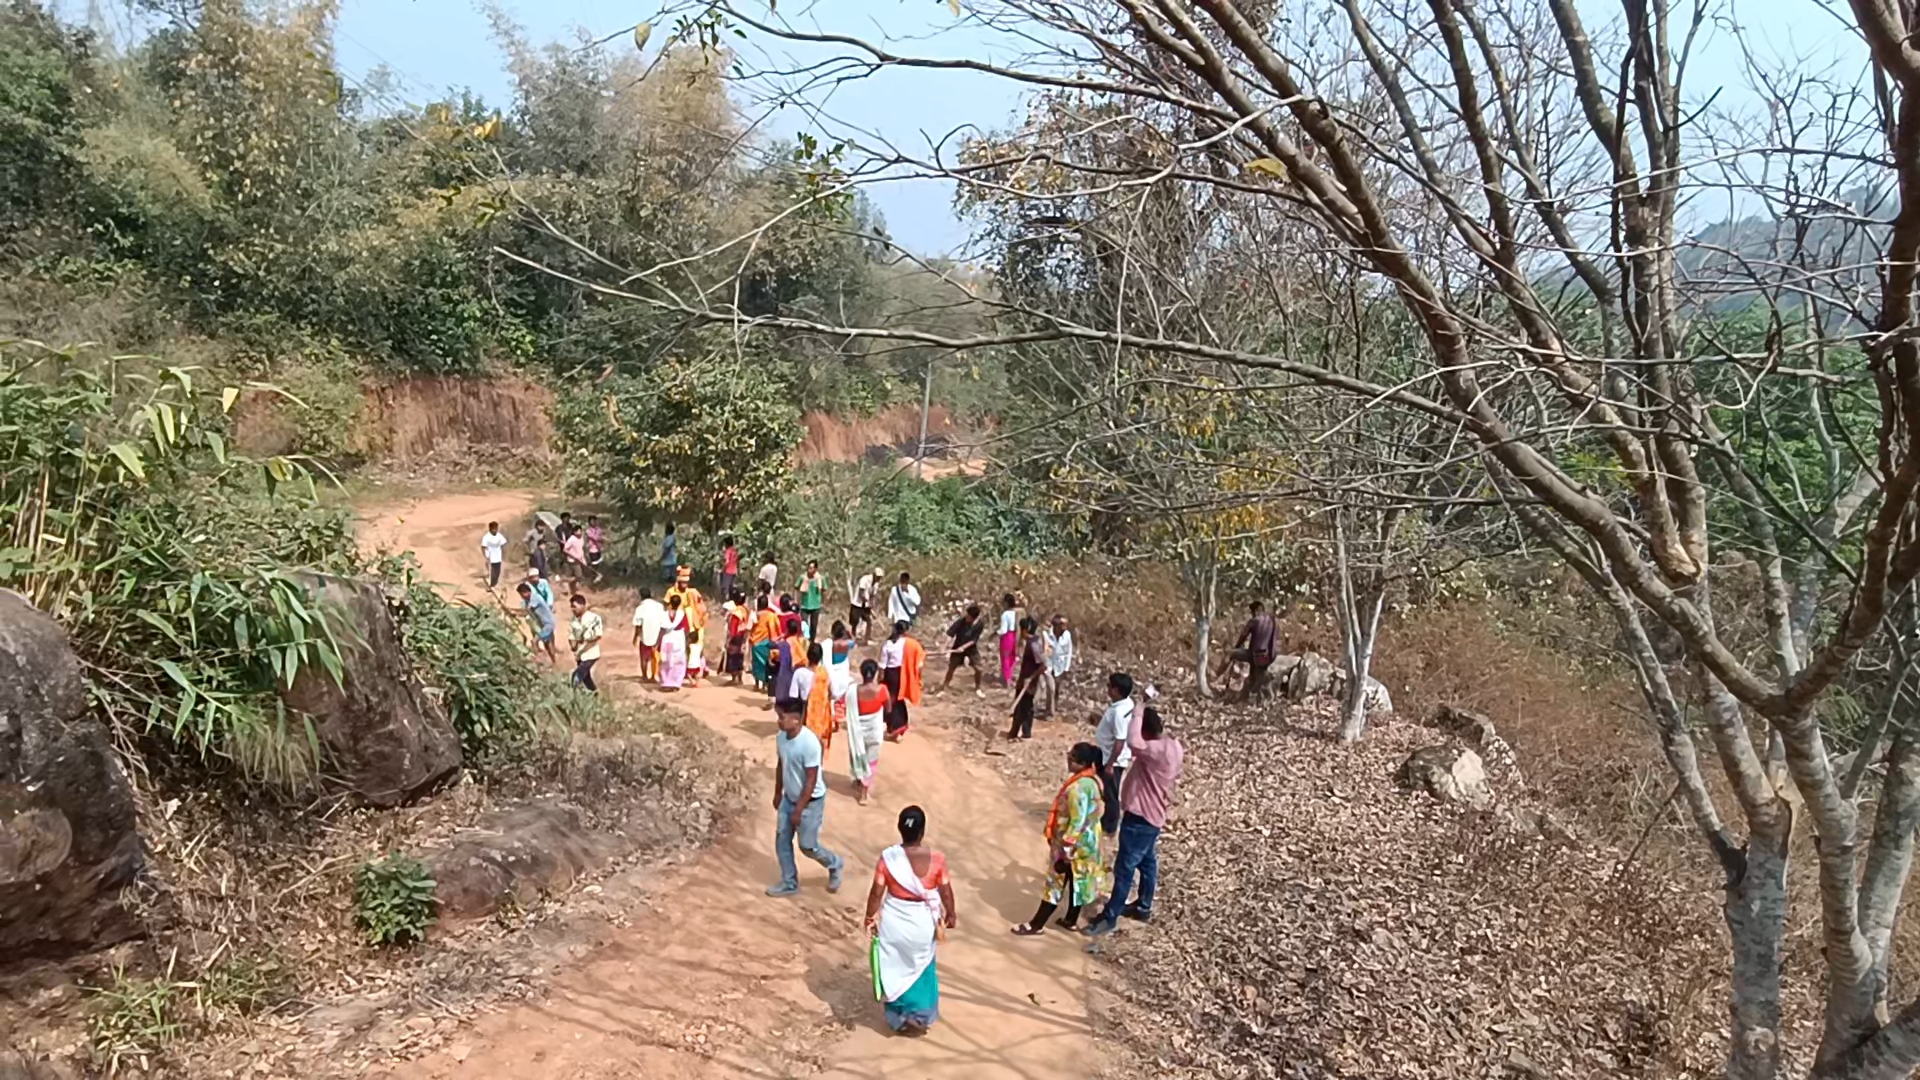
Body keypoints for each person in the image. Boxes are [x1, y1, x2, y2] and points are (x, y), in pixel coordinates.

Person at [1084, 705, 1184, 937]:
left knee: (1124, 868)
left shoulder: (1153, 750)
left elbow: (1134, 742)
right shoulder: (1173, 746)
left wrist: (1137, 712)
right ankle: (1143, 906)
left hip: (1140, 818)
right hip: (1153, 817)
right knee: (1147, 862)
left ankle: (1110, 917)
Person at [866, 806, 957, 1035]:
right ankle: (920, 1015)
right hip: (922, 924)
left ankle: (898, 1017)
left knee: (895, 966)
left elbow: (877, 893)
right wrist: (951, 913)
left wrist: (869, 917)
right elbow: (945, 891)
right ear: (922, 831)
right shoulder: (937, 860)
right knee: (921, 967)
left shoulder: (888, 859)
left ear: (899, 828)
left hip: (895, 922)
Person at [1010, 743, 1105, 935]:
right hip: (1088, 842)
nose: (1068, 759)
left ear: (1083, 763)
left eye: (1072, 757)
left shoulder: (1077, 788)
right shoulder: (1094, 781)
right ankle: (1070, 920)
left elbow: (1077, 821)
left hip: (1071, 844)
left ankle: (1036, 925)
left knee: (1055, 882)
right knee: (1077, 881)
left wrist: (1067, 849)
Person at [769, 696, 844, 897]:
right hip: (789, 798)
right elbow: (781, 764)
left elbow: (811, 780)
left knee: (807, 846)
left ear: (796, 718)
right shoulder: (781, 737)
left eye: (781, 716)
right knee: (782, 840)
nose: (778, 720)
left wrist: (799, 809)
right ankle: (789, 882)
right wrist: (778, 792)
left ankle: (835, 864)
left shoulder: (810, 744)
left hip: (810, 802)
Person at [1095, 672, 1136, 835]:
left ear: (1117, 690)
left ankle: (1110, 827)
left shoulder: (1119, 713)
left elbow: (1120, 740)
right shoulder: (1126, 704)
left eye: (1109, 687)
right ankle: (1104, 818)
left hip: (1113, 758)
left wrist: (1111, 764)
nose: (1107, 690)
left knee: (1111, 793)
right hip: (1108, 753)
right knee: (1106, 788)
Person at [849, 659, 890, 804]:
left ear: (861, 673)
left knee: (858, 755)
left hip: (857, 732)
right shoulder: (882, 690)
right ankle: (864, 793)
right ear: (875, 673)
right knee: (871, 761)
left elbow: (848, 707)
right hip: (874, 731)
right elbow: (889, 708)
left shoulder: (853, 691)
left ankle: (858, 780)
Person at [1223, 600, 1281, 696]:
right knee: (1255, 670)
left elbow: (1243, 636)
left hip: (1257, 655)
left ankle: (1219, 679)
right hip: (1271, 656)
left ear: (1255, 611)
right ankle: (1251, 690)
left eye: (1252, 612)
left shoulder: (1254, 621)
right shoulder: (1273, 620)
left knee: (1231, 653)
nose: (1252, 614)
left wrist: (1237, 647)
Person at [1005, 616, 1046, 740]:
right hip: (1024, 681)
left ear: (1024, 630)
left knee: (1025, 708)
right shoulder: (1032, 642)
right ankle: (1016, 732)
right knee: (1022, 707)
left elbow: (1043, 665)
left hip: (1029, 684)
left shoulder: (1033, 645)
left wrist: (1031, 678)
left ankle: (1023, 733)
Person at [941, 604, 986, 694]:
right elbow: (950, 634)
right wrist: (944, 647)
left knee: (979, 668)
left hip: (971, 648)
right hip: (958, 645)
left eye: (968, 616)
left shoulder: (980, 624)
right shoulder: (961, 621)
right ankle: (945, 685)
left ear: (974, 618)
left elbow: (974, 640)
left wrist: (963, 647)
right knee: (951, 667)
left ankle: (978, 688)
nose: (966, 617)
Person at [801, 642, 836, 750]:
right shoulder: (824, 673)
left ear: (807, 655)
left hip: (806, 714)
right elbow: (831, 693)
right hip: (822, 716)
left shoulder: (802, 673)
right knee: (818, 744)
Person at [567, 593, 604, 692]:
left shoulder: (594, 618)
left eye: (574, 607)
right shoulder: (573, 620)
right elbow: (571, 635)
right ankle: (595, 694)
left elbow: (598, 635)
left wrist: (585, 640)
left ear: (582, 605)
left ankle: (572, 696)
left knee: (576, 676)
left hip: (590, 653)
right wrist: (573, 645)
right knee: (586, 679)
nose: (573, 609)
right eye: (571, 607)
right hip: (579, 654)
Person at [1041, 615, 1074, 717]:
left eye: (1066, 625)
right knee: (1050, 688)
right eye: (1062, 625)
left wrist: (1067, 667)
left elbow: (1069, 651)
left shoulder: (1067, 635)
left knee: (1056, 689)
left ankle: (1053, 707)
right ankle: (1049, 712)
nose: (1065, 627)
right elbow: (1043, 650)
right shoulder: (1046, 635)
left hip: (1060, 666)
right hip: (1048, 665)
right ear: (1056, 626)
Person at [517, 581, 557, 664]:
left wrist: (512, 612)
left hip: (548, 624)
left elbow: (526, 611)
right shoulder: (528, 600)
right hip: (544, 624)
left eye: (522, 594)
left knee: (534, 641)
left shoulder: (535, 598)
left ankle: (537, 660)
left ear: (527, 592)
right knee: (548, 644)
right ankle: (554, 662)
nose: (521, 597)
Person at [631, 588, 666, 681]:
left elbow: (638, 625)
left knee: (644, 657)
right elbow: (663, 622)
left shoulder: (640, 609)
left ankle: (644, 676)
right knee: (655, 657)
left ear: (641, 596)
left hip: (645, 636)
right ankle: (654, 676)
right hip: (658, 635)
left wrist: (635, 637)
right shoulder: (659, 606)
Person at [658, 594, 690, 691]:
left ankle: (665, 682)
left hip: (667, 638)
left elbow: (662, 629)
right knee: (678, 661)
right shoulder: (682, 614)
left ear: (670, 603)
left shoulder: (664, 614)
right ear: (679, 603)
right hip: (678, 638)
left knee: (666, 660)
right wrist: (687, 640)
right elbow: (686, 629)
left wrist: (658, 642)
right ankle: (675, 683)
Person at [749, 596, 780, 693]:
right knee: (766, 665)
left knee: (756, 664)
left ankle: (756, 684)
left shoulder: (755, 614)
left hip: (755, 642)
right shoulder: (771, 615)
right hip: (765, 642)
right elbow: (773, 629)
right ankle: (765, 686)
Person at [850, 565, 882, 643]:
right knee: (855, 621)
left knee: (869, 621)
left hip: (866, 605)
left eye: (880, 577)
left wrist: (872, 606)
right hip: (857, 604)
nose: (878, 579)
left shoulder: (876, 584)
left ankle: (867, 638)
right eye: (877, 576)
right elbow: (861, 593)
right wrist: (867, 601)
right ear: (874, 575)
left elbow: (873, 596)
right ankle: (852, 636)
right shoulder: (864, 579)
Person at [724, 590, 750, 686]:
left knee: (733, 657)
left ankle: (734, 678)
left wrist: (729, 640)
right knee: (740, 657)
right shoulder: (746, 610)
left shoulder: (736, 612)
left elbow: (733, 627)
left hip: (736, 636)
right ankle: (740, 678)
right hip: (744, 635)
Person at [799, 560, 827, 641]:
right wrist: (797, 602)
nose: (809, 570)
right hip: (804, 605)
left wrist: (824, 604)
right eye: (808, 568)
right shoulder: (802, 577)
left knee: (813, 626)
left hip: (816, 605)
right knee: (804, 625)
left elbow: (824, 591)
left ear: (816, 569)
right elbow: (797, 589)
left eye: (811, 568)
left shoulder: (821, 579)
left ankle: (812, 642)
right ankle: (805, 641)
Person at [996, 594, 1020, 688]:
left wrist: (995, 634)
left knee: (1005, 658)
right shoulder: (1017, 613)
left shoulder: (1005, 614)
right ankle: (1009, 676)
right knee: (1012, 657)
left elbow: (1003, 630)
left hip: (1007, 637)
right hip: (1015, 635)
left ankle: (1007, 679)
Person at [480, 521, 508, 588]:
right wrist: (485, 556)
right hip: (490, 557)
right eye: (493, 529)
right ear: (490, 529)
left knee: (498, 571)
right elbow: (483, 547)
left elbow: (504, 544)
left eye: (496, 528)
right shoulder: (486, 537)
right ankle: (491, 585)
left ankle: (495, 583)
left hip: (498, 556)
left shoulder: (499, 536)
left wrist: (504, 552)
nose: (495, 530)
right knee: (492, 572)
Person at [718, 535, 740, 603]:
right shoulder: (735, 551)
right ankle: (732, 601)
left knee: (725, 588)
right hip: (734, 571)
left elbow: (727, 561)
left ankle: (726, 603)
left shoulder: (728, 551)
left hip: (728, 571)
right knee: (731, 588)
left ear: (726, 544)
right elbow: (737, 561)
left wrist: (722, 569)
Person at [585, 516, 606, 581]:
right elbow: (595, 538)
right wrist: (605, 540)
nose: (593, 522)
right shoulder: (588, 531)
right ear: (589, 522)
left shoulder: (599, 529)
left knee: (598, 565)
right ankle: (593, 578)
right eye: (591, 521)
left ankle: (595, 579)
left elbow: (602, 536)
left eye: (594, 521)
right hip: (592, 550)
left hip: (598, 550)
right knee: (594, 565)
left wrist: (604, 541)